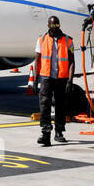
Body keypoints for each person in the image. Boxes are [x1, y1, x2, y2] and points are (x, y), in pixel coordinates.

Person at [31, 15, 74, 146]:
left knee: (60, 105)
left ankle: (59, 132)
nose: (54, 28)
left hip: (61, 77)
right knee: (44, 105)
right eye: (52, 25)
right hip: (46, 77)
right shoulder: (42, 39)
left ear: (59, 25)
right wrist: (35, 78)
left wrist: (70, 80)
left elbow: (72, 62)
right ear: (48, 25)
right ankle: (46, 133)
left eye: (57, 25)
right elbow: (38, 60)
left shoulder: (68, 40)